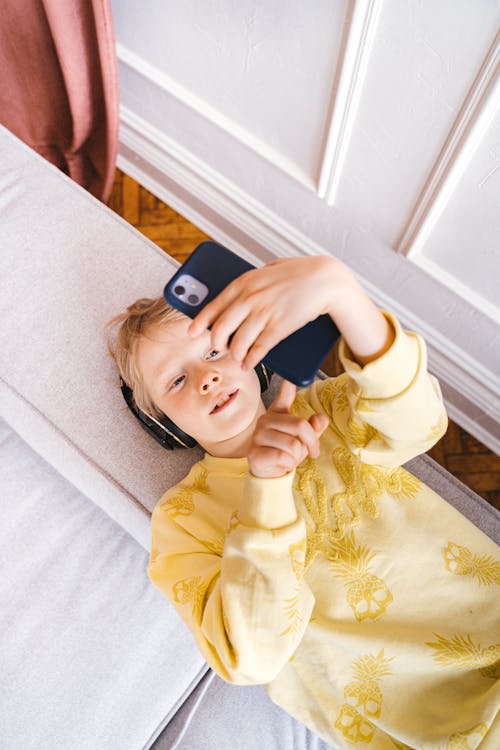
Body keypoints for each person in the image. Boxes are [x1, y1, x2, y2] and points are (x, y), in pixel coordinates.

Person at [107, 254, 499, 748]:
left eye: (213, 353)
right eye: (177, 381)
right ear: (162, 423)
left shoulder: (327, 407)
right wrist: (266, 489)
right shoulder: (182, 522)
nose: (205, 378)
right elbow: (249, 657)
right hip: (448, 732)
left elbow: (420, 424)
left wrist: (342, 293)